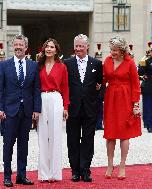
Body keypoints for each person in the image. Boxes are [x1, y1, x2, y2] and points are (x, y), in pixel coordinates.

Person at [0, 34, 41, 187]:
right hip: (9, 112)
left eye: (21, 45)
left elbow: (36, 89)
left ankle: (22, 175)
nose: (18, 47)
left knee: (24, 145)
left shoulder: (33, 65)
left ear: (26, 47)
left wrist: (37, 109)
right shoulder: (4, 65)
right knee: (8, 144)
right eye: (16, 45)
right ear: (13, 46)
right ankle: (7, 176)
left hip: (27, 112)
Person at [64, 34, 102, 182]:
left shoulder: (96, 64)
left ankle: (85, 170)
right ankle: (74, 170)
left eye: (81, 46)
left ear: (87, 47)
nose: (78, 48)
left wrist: (95, 100)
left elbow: (99, 85)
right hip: (73, 108)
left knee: (88, 139)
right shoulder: (67, 63)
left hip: (90, 108)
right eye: (76, 46)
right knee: (72, 140)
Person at [103, 36, 141, 180]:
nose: (112, 52)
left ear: (122, 50)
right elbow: (103, 78)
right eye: (111, 49)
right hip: (111, 98)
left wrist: (136, 104)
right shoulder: (107, 61)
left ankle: (122, 165)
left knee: (124, 133)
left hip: (125, 99)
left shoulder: (129, 62)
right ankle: (110, 164)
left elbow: (136, 85)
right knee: (110, 133)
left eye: (115, 50)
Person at [37, 38, 69, 182]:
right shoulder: (39, 65)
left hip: (56, 99)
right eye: (47, 47)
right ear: (44, 49)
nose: (49, 49)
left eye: (52, 47)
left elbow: (65, 88)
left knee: (56, 136)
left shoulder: (62, 67)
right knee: (43, 136)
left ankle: (55, 174)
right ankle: (44, 173)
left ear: (56, 50)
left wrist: (65, 107)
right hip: (42, 99)